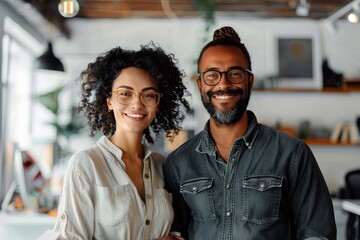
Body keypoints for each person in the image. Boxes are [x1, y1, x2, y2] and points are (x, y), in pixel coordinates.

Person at [163, 26, 336, 240]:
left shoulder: (293, 154)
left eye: (235, 74)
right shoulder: (179, 162)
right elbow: (176, 233)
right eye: (212, 75)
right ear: (200, 84)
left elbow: (317, 233)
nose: (223, 84)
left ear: (249, 81)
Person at [52, 42, 190, 240]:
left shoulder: (163, 165)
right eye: (125, 93)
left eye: (148, 95)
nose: (137, 103)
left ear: (158, 103)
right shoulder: (86, 164)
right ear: (109, 100)